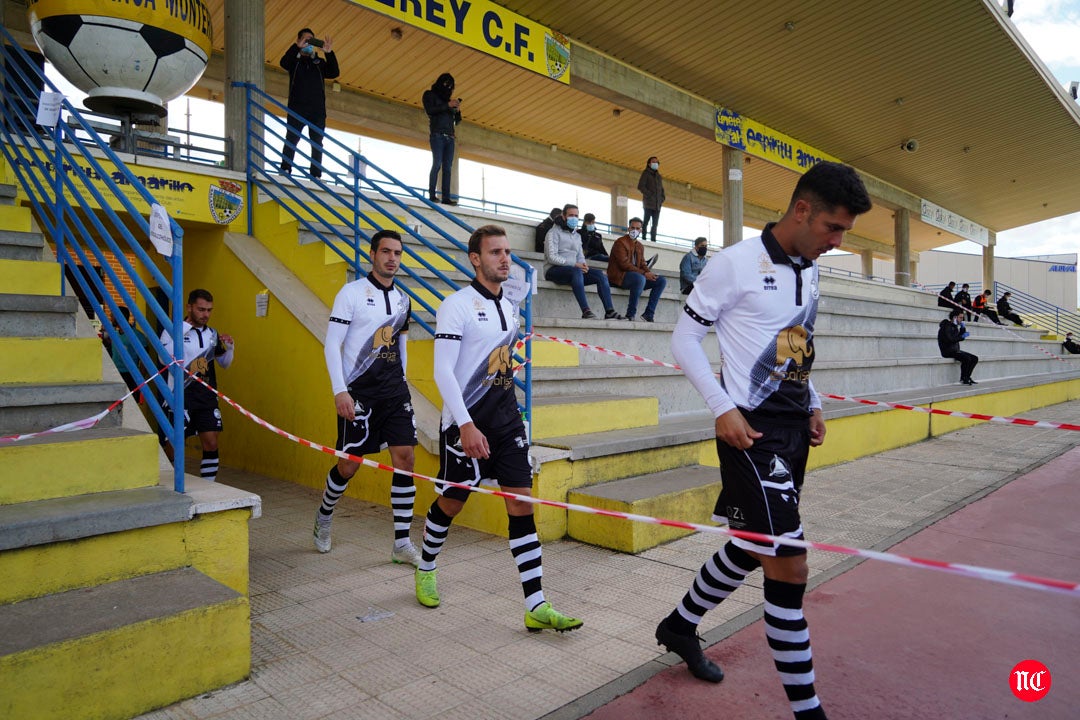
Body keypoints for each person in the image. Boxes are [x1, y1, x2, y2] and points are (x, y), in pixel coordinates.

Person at [661, 161, 872, 720]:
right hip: (750, 433)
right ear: (801, 210)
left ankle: (679, 626)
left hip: (793, 426)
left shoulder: (811, 267)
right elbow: (684, 338)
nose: (837, 240)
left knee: (754, 547)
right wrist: (722, 407)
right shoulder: (734, 264)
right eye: (833, 228)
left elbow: (795, 342)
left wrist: (815, 402)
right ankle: (810, 712)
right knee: (789, 563)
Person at [414, 224, 583, 633]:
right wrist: (467, 425)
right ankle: (425, 565)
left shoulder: (510, 307)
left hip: (507, 424)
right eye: (495, 252)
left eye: (507, 251)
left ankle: (536, 604)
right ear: (475, 259)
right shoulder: (455, 305)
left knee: (521, 503)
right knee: (452, 502)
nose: (505, 258)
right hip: (467, 423)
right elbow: (442, 371)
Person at [313, 229, 420, 564]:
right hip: (358, 393)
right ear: (372, 254)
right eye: (386, 251)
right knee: (349, 466)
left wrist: (403, 380)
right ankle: (324, 516)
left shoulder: (404, 299)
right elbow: (332, 344)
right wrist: (339, 390)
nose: (392, 258)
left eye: (398, 253)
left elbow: (400, 345)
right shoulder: (352, 293)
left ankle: (401, 543)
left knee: (406, 459)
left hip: (394, 392)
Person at [159, 289, 235, 482]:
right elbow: (163, 358)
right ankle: (170, 482)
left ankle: (209, 485)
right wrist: (183, 327)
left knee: (211, 442)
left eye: (209, 310)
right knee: (175, 445)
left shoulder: (212, 334)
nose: (206, 314)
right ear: (189, 307)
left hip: (207, 397)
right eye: (201, 309)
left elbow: (224, 364)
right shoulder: (172, 329)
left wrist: (231, 348)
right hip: (180, 395)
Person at [544, 203, 623, 320]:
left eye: (576, 216)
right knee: (576, 271)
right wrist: (575, 264)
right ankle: (586, 311)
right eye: (571, 215)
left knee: (600, 275)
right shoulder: (553, 232)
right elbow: (551, 257)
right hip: (554, 270)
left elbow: (580, 255)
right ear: (564, 216)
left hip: (574, 270)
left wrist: (583, 265)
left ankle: (609, 311)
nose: (574, 218)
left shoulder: (577, 236)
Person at [279, 29, 339, 179]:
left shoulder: (319, 63)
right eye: (306, 40)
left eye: (311, 40)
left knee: (317, 143)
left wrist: (328, 52)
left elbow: (334, 72)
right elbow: (283, 63)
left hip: (317, 111)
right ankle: (285, 169)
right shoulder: (295, 61)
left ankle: (316, 175)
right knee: (292, 138)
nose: (309, 43)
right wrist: (297, 47)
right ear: (299, 40)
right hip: (296, 108)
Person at [608, 217, 667, 322]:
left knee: (661, 280)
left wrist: (649, 273)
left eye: (637, 228)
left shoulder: (640, 246)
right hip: (620, 277)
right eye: (632, 227)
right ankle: (630, 314)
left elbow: (642, 264)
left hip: (635, 277)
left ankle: (648, 314)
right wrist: (644, 274)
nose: (634, 230)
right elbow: (624, 265)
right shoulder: (620, 242)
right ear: (628, 228)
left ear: (640, 230)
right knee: (640, 278)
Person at [422, 73, 462, 205]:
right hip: (437, 135)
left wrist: (457, 110)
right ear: (440, 82)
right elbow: (430, 110)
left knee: (448, 168)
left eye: (451, 86)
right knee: (437, 163)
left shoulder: (448, 102)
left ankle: (446, 198)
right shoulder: (429, 94)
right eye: (446, 84)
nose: (448, 88)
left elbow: (457, 122)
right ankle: (432, 194)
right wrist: (448, 105)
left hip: (450, 137)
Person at [110, 305, 154, 402]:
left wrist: (139, 381)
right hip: (115, 375)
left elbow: (145, 361)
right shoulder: (115, 334)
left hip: (130, 377)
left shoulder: (137, 336)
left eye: (112, 316)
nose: (111, 318)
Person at [938, 308, 979, 385]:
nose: (962, 319)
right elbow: (950, 339)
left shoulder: (954, 326)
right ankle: (963, 378)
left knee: (974, 358)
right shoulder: (946, 326)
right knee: (966, 358)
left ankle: (967, 377)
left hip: (954, 350)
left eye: (962, 318)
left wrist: (963, 329)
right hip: (948, 351)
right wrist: (962, 336)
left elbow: (958, 337)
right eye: (960, 317)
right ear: (954, 317)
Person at [637, 155, 666, 243]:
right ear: (649, 164)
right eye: (653, 162)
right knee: (645, 221)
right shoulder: (645, 173)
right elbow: (641, 186)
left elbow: (661, 189)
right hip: (648, 203)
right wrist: (649, 195)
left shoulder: (658, 176)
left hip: (657, 204)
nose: (655, 163)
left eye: (657, 162)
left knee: (655, 224)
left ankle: (653, 240)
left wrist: (662, 198)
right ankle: (644, 238)